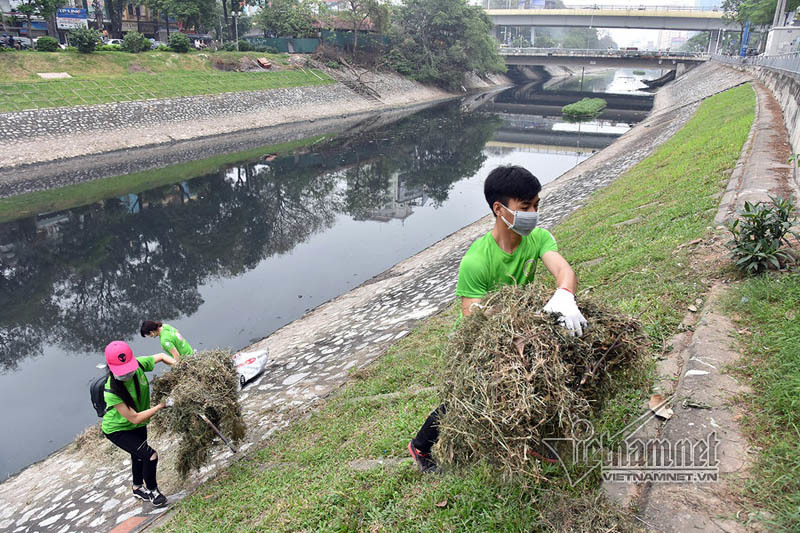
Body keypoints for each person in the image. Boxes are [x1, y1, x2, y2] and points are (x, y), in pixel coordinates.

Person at [408, 165, 588, 473]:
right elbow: (472, 315)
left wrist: (565, 294)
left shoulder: (539, 238)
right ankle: (421, 447)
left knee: (538, 377)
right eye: (525, 207)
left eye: (536, 205)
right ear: (499, 209)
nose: (533, 213)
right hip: (478, 339)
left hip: (521, 326)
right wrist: (511, 318)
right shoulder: (477, 260)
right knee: (466, 396)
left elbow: (562, 270)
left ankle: (534, 441)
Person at [102, 340, 176, 506]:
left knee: (139, 456)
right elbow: (134, 417)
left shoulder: (139, 365)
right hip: (118, 429)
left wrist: (181, 367)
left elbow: (163, 356)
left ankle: (137, 488)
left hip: (138, 425)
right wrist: (161, 406)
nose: (127, 375)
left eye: (129, 369)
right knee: (150, 456)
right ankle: (152, 491)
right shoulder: (111, 391)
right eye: (122, 372)